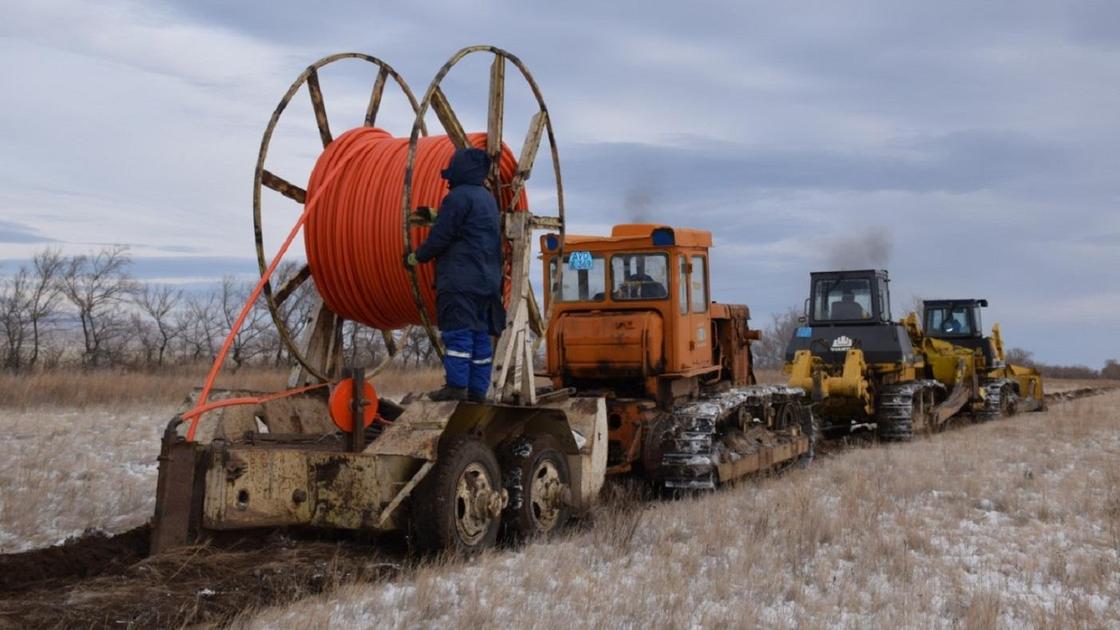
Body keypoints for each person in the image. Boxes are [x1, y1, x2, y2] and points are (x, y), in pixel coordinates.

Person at [404, 147, 505, 402]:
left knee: (458, 332)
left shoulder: (458, 197)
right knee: (480, 336)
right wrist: (438, 215)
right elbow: (468, 223)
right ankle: (477, 392)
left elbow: (442, 235)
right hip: (488, 282)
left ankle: (457, 387)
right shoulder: (487, 199)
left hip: (460, 281)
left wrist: (418, 256)